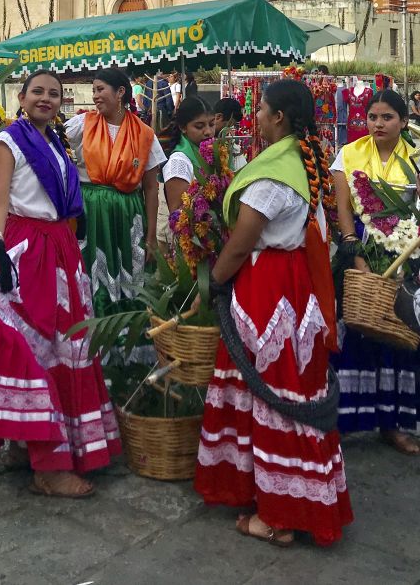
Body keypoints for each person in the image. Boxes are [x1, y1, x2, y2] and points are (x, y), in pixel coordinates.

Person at [0, 70, 120, 497]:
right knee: (31, 348)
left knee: (62, 348)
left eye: (54, 94)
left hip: (60, 251)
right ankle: (48, 464)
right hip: (28, 251)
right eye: (38, 92)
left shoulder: (56, 142)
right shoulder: (8, 142)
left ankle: (29, 441)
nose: (46, 99)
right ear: (21, 97)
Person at [195, 79, 352, 547]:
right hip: (299, 289)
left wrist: (216, 280)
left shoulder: (272, 176)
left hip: (269, 294)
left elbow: (243, 241)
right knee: (291, 386)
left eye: (260, 110)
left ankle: (279, 514)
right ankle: (281, 498)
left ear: (278, 118)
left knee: (270, 390)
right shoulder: (306, 161)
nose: (256, 116)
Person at [331, 87, 420, 454]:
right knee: (357, 331)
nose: (378, 123)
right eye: (372, 117)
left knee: (401, 336)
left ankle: (393, 424)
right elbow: (343, 210)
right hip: (360, 249)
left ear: (403, 120)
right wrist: (356, 254)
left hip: (407, 250)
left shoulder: (415, 155)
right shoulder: (348, 154)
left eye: (387, 117)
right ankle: (346, 421)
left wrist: (407, 259)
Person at [65, 68, 166, 317]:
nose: (95, 96)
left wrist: (151, 237)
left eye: (100, 89)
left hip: (128, 213)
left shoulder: (144, 135)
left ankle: (125, 333)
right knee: (91, 270)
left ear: (120, 92)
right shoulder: (82, 125)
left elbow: (152, 188)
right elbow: (51, 145)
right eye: (93, 90)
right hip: (90, 212)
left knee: (128, 272)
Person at [163, 97, 216, 214]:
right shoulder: (178, 162)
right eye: (199, 126)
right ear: (183, 127)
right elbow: (177, 214)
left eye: (212, 124)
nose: (208, 132)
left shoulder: (214, 153)